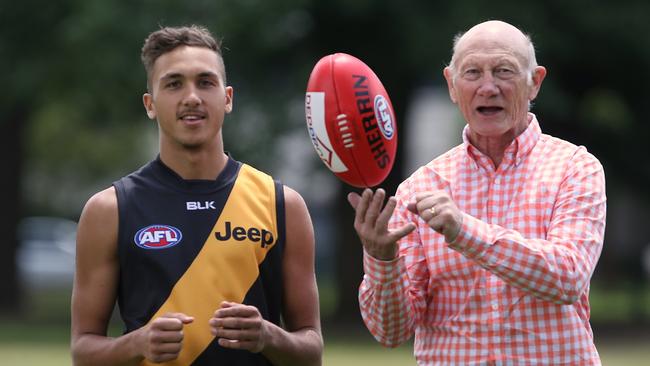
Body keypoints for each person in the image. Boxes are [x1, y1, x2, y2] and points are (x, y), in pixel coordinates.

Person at [348, 20, 606, 365]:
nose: (488, 87)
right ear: (452, 86)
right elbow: (391, 332)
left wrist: (463, 230)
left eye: (504, 71)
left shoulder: (575, 167)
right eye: (472, 73)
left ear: (535, 82)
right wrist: (382, 259)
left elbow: (567, 277)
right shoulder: (419, 187)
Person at [71, 25, 323, 366]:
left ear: (228, 98)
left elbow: (312, 351)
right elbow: (83, 352)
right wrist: (137, 344)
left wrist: (268, 336)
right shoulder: (110, 209)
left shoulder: (282, 205)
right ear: (150, 104)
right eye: (174, 84)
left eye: (205, 82)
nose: (192, 97)